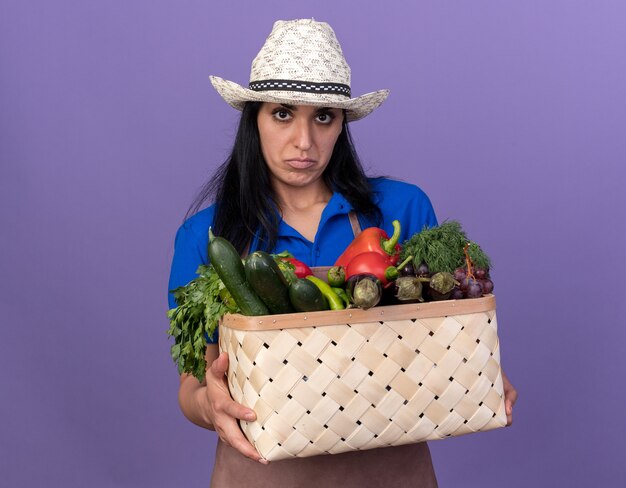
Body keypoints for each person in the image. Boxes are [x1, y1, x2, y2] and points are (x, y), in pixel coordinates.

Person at [168, 18, 518, 487]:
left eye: (324, 117)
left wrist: (479, 371)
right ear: (253, 119)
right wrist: (209, 404)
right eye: (282, 114)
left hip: (392, 473)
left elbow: (444, 337)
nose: (304, 142)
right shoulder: (205, 235)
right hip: (264, 476)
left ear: (342, 126)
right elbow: (192, 386)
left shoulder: (404, 208)